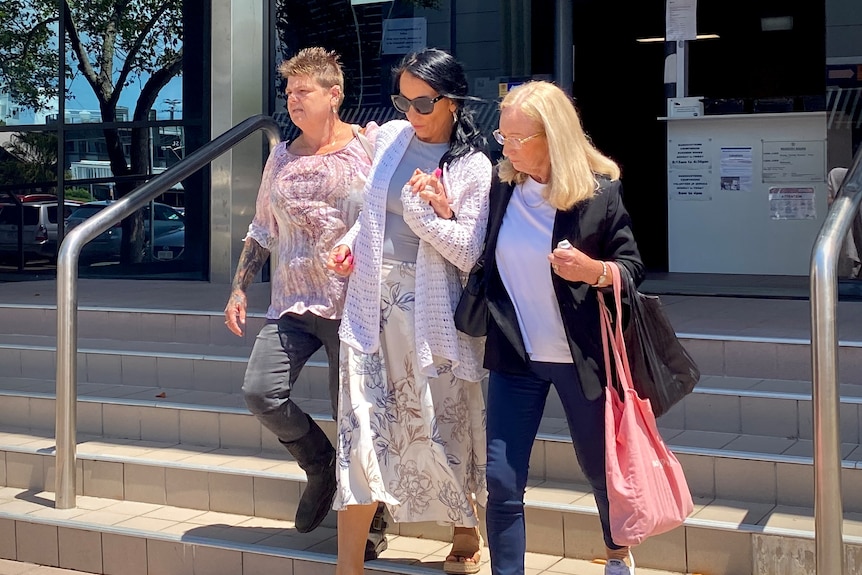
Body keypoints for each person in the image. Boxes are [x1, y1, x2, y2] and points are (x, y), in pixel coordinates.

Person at [327, 48, 492, 575]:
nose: (411, 113)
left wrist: (427, 209)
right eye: (403, 100)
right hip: (370, 307)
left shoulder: (473, 166)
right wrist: (352, 243)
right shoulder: (394, 141)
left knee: (439, 424)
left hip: (431, 313)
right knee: (360, 428)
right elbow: (375, 214)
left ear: (452, 101)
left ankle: (465, 530)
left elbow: (468, 252)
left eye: (423, 103)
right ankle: (347, 565)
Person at [223, 47, 387, 557]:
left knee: (356, 418)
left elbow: (390, 216)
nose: (293, 101)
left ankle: (371, 526)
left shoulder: (368, 146)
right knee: (260, 391)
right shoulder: (281, 156)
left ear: (333, 95)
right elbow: (262, 228)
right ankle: (320, 465)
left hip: (352, 307)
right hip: (293, 305)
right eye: (289, 93)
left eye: (304, 91)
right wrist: (239, 287)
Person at [478, 81, 645, 575]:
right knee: (502, 480)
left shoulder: (598, 195)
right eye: (502, 136)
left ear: (552, 137)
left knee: (600, 469)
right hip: (516, 355)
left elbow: (631, 269)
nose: (505, 147)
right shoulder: (502, 186)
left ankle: (617, 555)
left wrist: (593, 271)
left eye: (517, 138)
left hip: (582, 356)